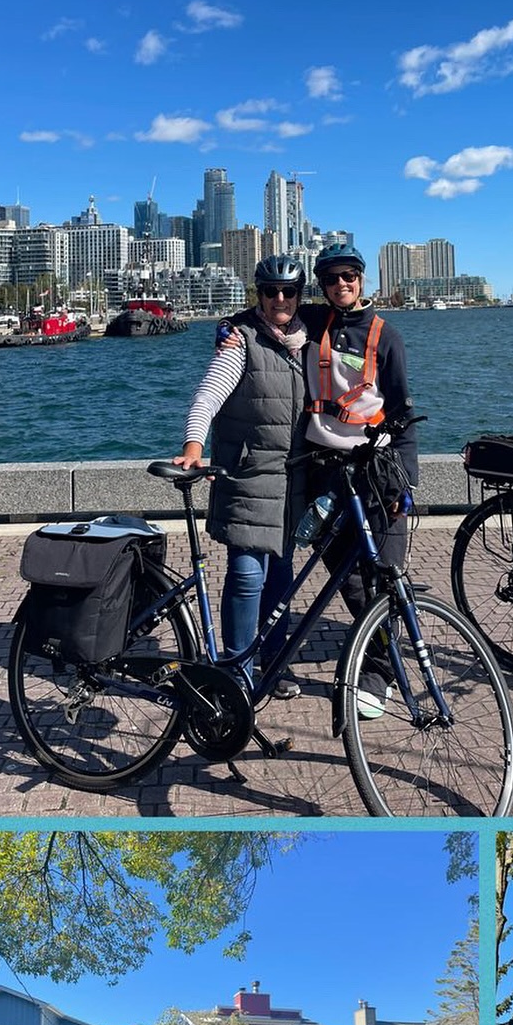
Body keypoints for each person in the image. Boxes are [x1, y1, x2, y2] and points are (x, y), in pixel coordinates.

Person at [174, 255, 308, 694]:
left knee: (282, 573)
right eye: (271, 291)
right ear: (259, 294)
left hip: (292, 480)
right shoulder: (240, 339)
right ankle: (236, 671)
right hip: (249, 475)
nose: (280, 299)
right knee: (248, 573)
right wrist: (194, 444)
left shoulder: (309, 341)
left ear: (300, 294)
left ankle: (272, 660)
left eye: (288, 291)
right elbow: (208, 395)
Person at [298, 240, 418, 718]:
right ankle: (377, 652)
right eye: (331, 278)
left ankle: (376, 673)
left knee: (386, 576)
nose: (341, 284)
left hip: (376, 470)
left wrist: (404, 483)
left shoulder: (386, 336)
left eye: (349, 275)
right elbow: (269, 310)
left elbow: (404, 412)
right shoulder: (311, 322)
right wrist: (230, 327)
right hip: (324, 472)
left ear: (362, 279)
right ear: (322, 285)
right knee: (346, 577)